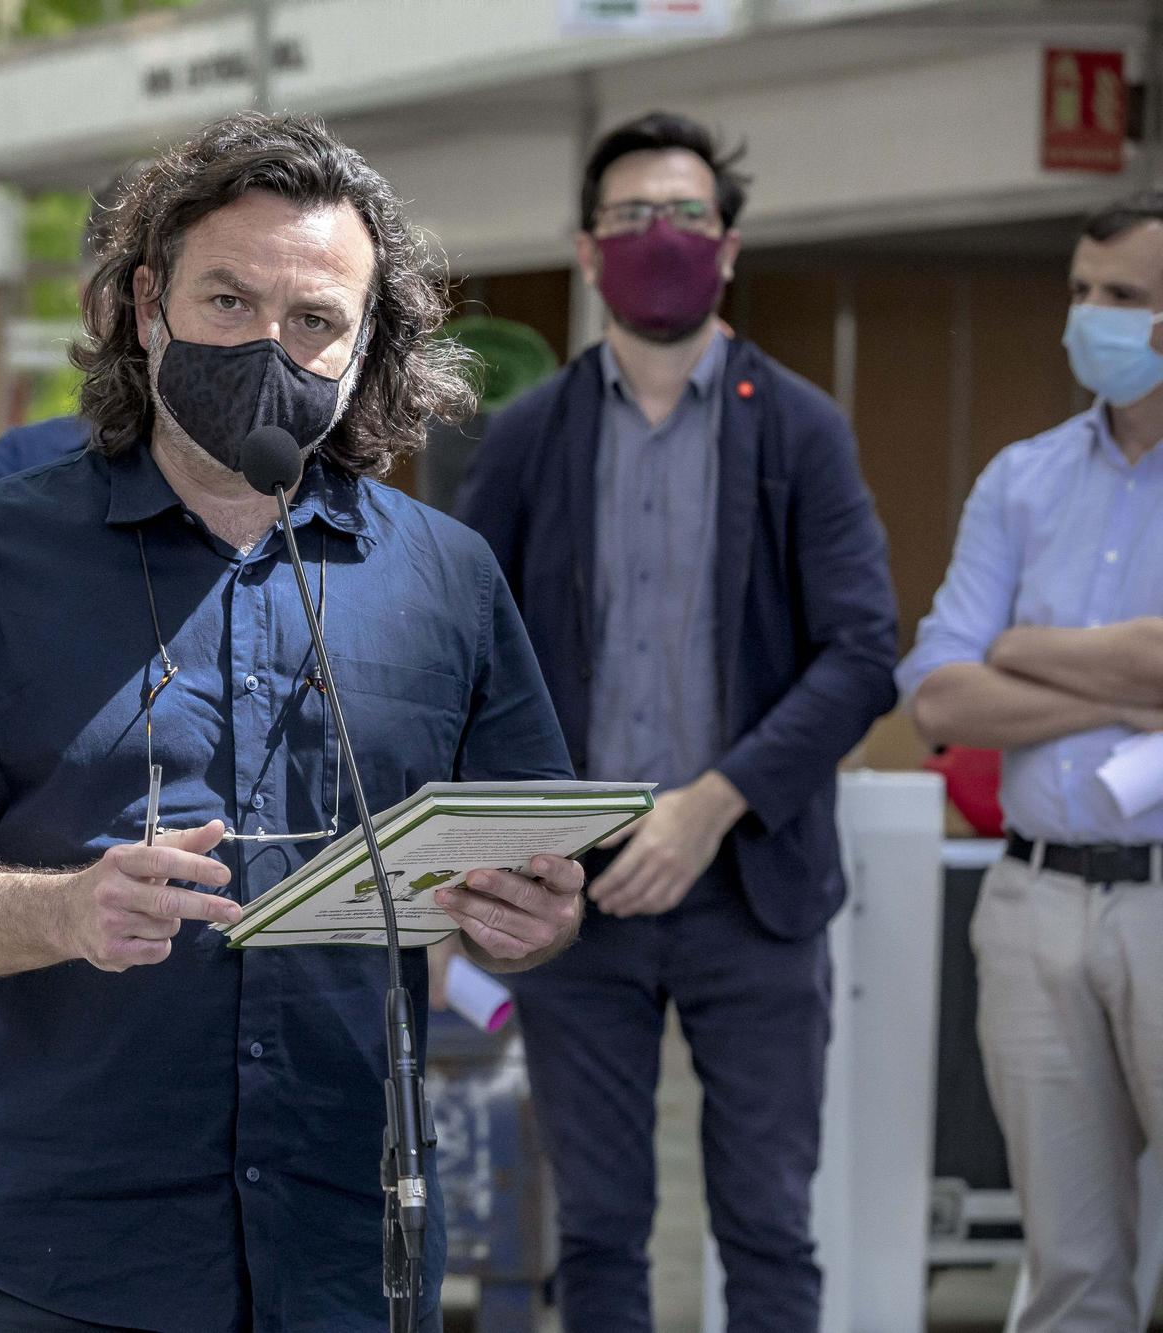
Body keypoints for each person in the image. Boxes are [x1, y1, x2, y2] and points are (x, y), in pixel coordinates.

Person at [0, 111, 585, 1333]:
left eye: (315, 320)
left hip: (349, 1250)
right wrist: (62, 907)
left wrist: (530, 920)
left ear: (365, 343)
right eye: (228, 302)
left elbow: (518, 875)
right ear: (143, 303)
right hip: (62, 1259)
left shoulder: (449, 578)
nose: (270, 344)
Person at [453, 111, 898, 1331]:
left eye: (686, 216)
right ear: (588, 252)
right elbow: (462, 648)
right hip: (572, 900)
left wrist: (710, 806)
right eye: (631, 217)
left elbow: (862, 653)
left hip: (751, 890)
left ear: (729, 247)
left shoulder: (796, 427)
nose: (660, 238)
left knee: (763, 1222)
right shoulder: (528, 436)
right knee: (593, 1231)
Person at [899, 192, 1163, 1332]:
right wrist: (1130, 675)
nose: (1090, 317)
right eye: (1079, 292)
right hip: (1033, 895)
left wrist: (1025, 651)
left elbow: (987, 664)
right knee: (1068, 1270)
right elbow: (938, 691)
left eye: (1124, 297)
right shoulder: (1021, 479)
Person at [0, 171, 129, 486]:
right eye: (130, 286)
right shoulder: (21, 466)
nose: (155, 313)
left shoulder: (249, 472)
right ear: (89, 300)